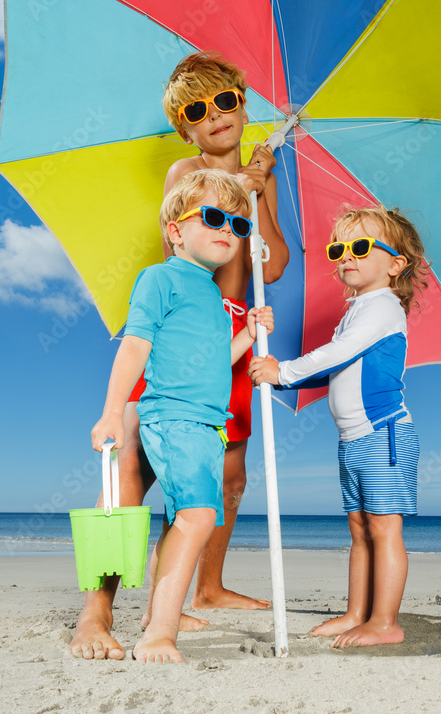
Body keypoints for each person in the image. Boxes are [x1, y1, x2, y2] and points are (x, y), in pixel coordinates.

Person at [85, 169, 273, 664]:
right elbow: (134, 346)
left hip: (208, 425)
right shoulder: (160, 278)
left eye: (238, 224)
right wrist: (109, 413)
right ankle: (160, 632)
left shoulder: (213, 295)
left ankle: (155, 615)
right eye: (213, 217)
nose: (227, 230)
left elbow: (215, 363)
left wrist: (249, 336)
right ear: (175, 230)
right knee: (199, 516)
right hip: (172, 418)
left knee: (180, 518)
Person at [248, 205, 427, 648]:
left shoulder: (383, 307)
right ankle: (355, 613)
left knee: (384, 529)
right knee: (359, 529)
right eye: (339, 249)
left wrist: (282, 371)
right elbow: (332, 368)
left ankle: (385, 622)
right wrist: (276, 379)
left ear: (395, 264)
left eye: (361, 247)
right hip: (352, 440)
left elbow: (339, 353)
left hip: (383, 434)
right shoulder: (358, 309)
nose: (346, 256)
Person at [154, 51, 288, 614]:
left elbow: (275, 263)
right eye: (197, 110)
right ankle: (170, 597)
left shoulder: (262, 178)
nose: (215, 115)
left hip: (242, 326)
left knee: (232, 471)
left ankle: (210, 585)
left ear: (242, 104)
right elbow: (177, 251)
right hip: (200, 325)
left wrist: (257, 195)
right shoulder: (185, 175)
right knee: (191, 468)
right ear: (186, 130)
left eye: (225, 101)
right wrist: (233, 183)